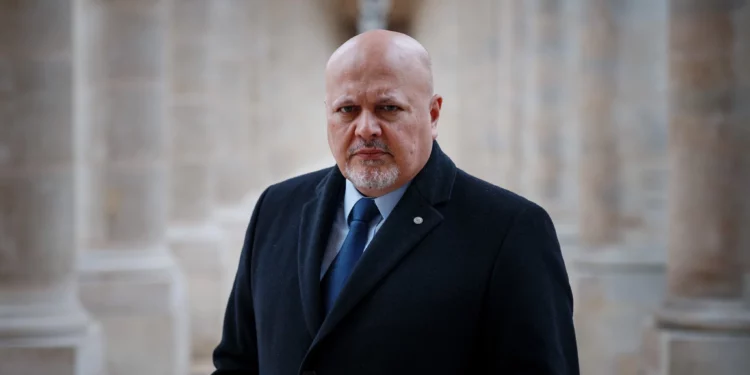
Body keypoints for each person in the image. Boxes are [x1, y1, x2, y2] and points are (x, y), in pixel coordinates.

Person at [212, 29, 579, 375]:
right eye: (347, 110)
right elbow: (238, 362)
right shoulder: (276, 209)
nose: (366, 128)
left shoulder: (510, 231)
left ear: (433, 115)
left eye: (388, 108)